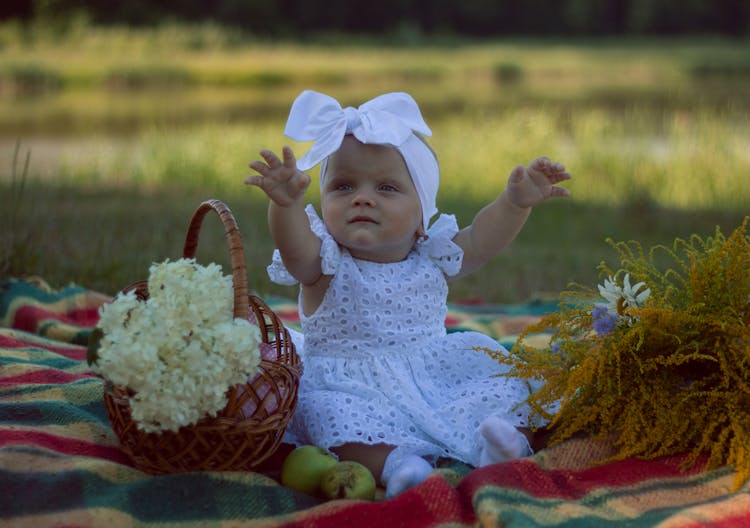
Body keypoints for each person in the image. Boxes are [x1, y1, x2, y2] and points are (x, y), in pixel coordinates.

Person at [244, 90, 571, 498]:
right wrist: (285, 206)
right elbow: (295, 253)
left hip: (432, 368)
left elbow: (483, 240)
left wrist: (515, 203)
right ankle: (401, 466)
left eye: (386, 187)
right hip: (350, 382)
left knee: (501, 385)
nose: (362, 197)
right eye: (343, 186)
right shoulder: (325, 263)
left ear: (422, 215)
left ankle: (502, 447)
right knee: (336, 422)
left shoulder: (432, 253)